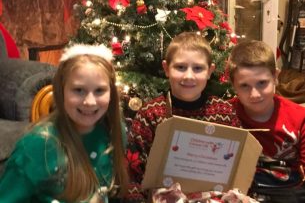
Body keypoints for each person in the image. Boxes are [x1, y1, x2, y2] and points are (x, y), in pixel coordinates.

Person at [0, 44, 129, 202]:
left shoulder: (113, 132)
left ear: (112, 93)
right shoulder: (37, 146)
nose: (89, 102)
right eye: (78, 90)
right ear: (61, 91)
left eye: (99, 90)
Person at [125, 31, 241, 202]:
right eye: (180, 67)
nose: (189, 76)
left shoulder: (224, 112)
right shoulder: (150, 114)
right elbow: (133, 173)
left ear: (210, 71)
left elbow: (237, 167)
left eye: (198, 68)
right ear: (166, 69)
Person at [227, 40, 305, 202]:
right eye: (244, 86)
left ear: (275, 76)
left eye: (262, 83)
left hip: (288, 190)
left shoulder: (299, 116)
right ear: (234, 85)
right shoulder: (225, 113)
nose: (254, 94)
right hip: (243, 188)